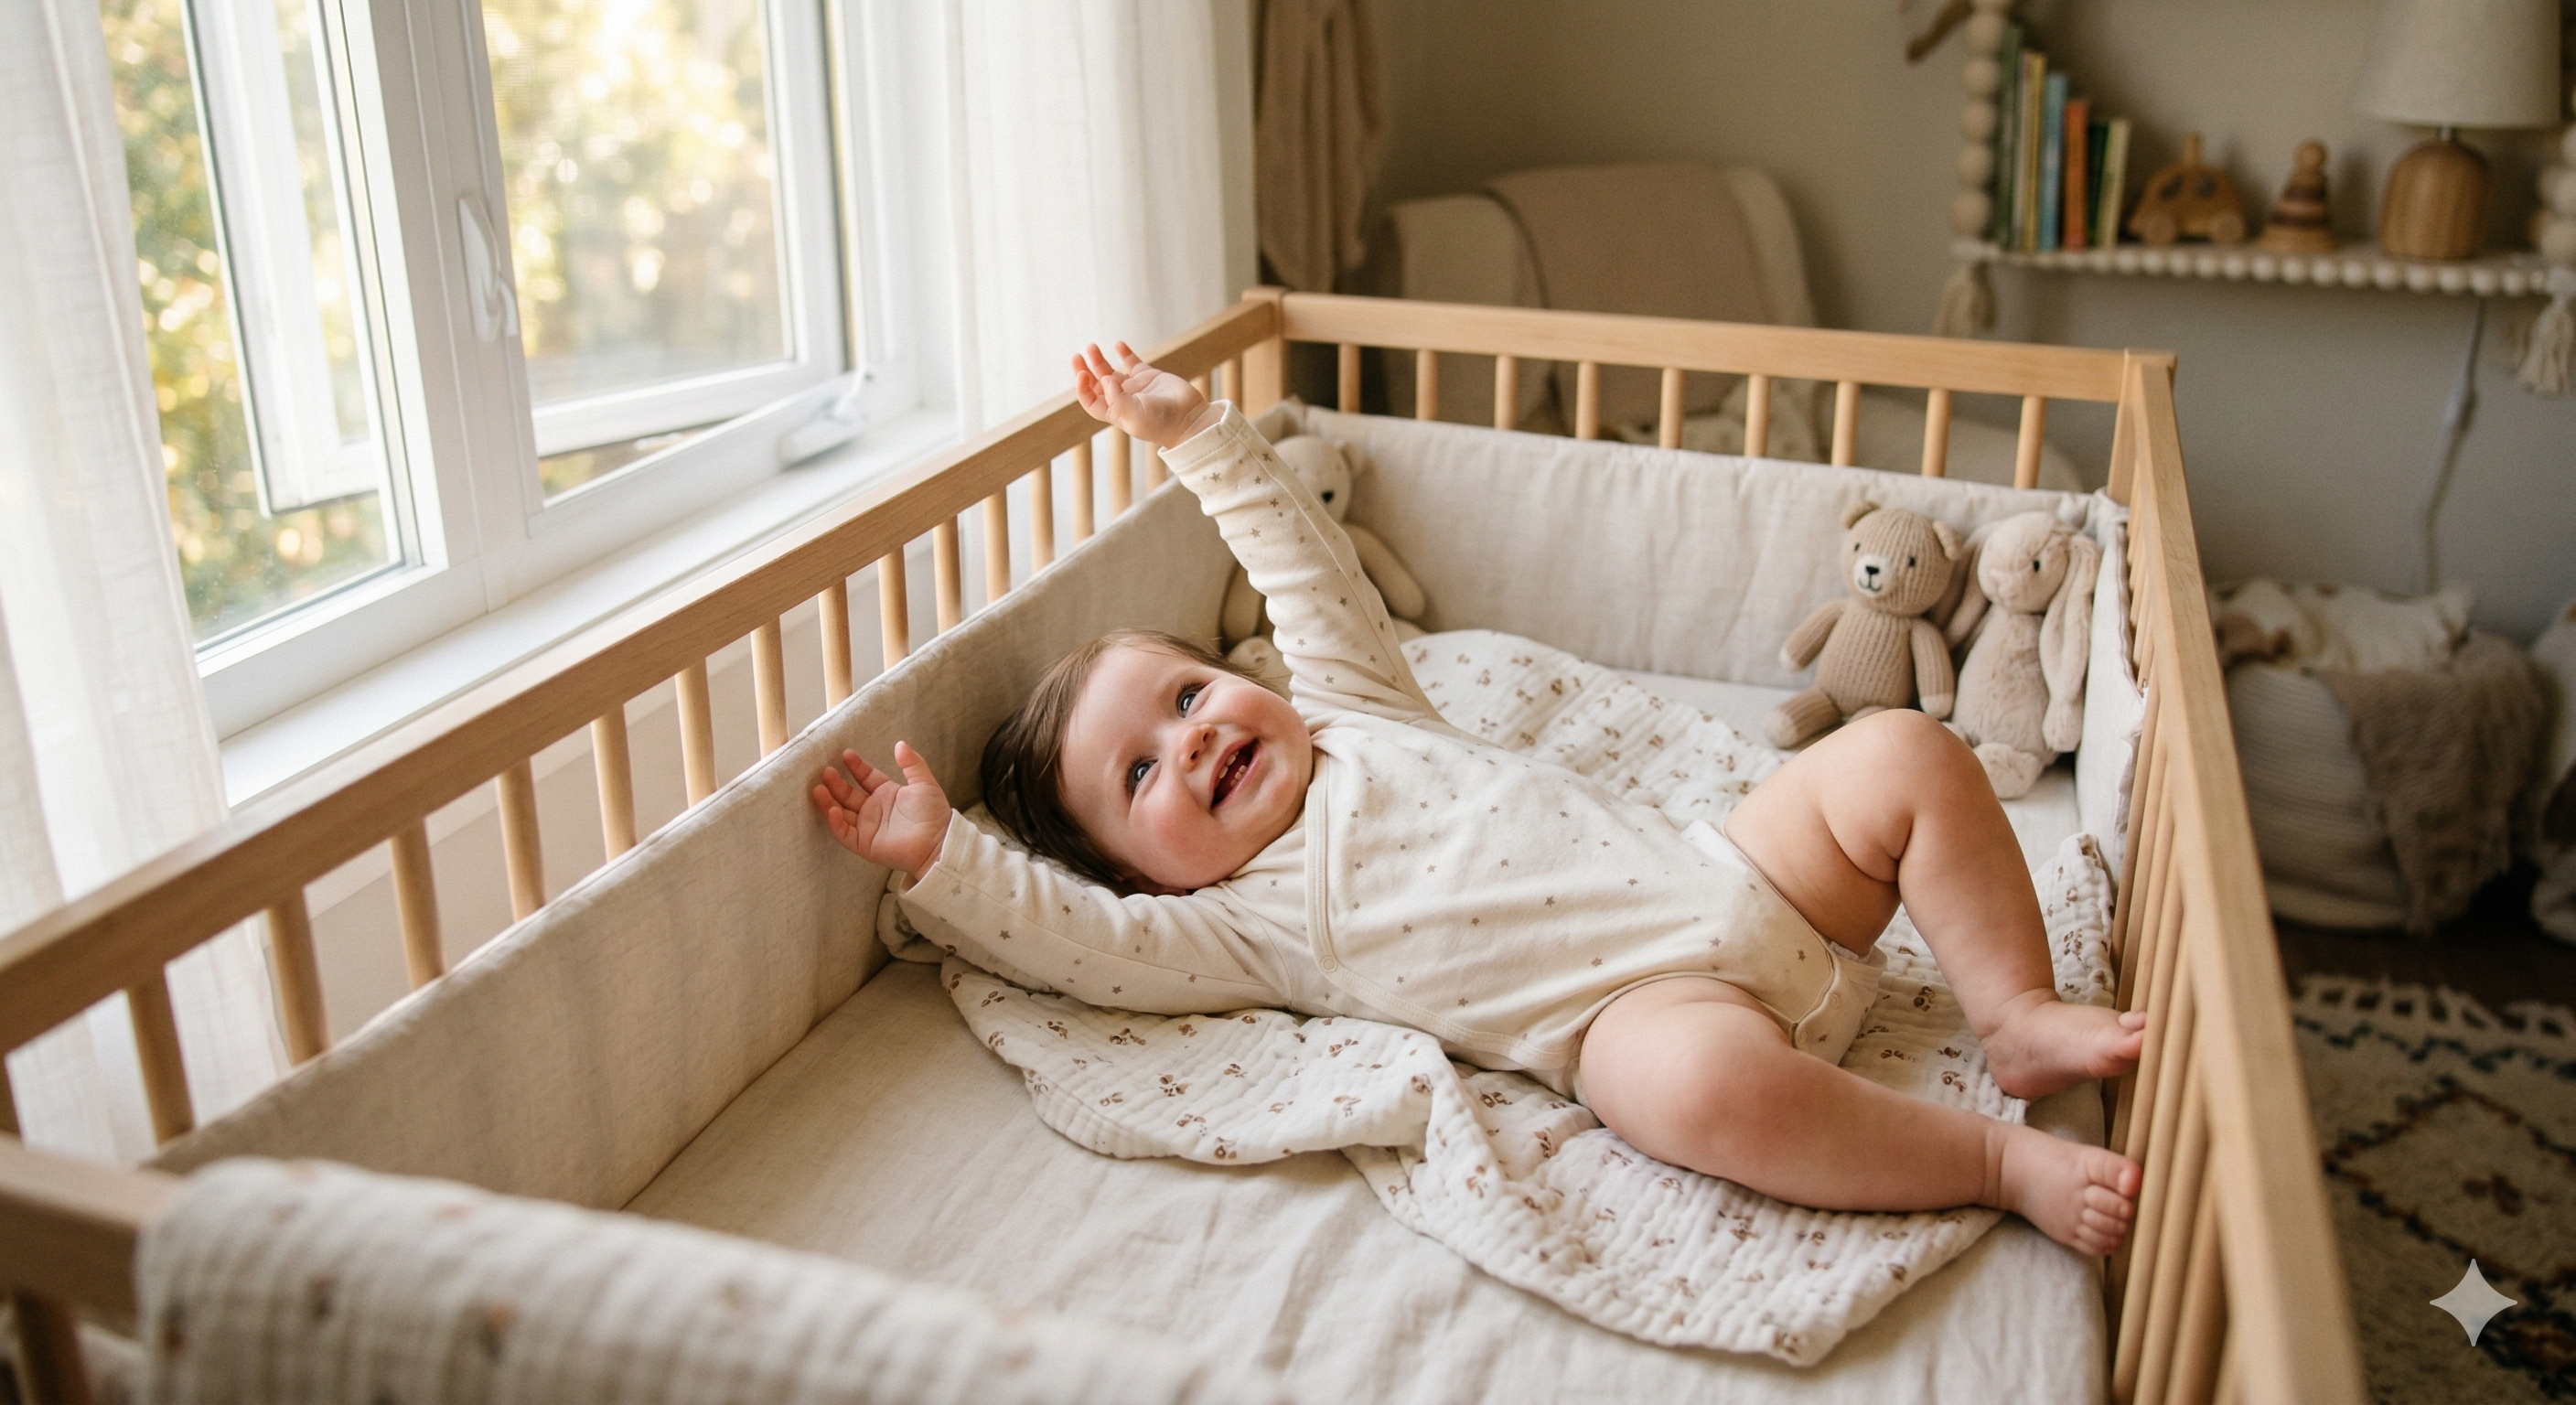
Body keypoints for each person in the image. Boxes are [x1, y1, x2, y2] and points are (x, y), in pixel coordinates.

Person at [812, 342, 2144, 1255]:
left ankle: (2014, 1015)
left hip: (1746, 871)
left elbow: (1308, 572)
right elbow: (1073, 946)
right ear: (1146, 874)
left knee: (1905, 752)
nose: (1193, 739)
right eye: (1140, 776)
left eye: (1184, 697)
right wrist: (942, 861)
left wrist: (1199, 435)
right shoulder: (1237, 930)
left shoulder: (1352, 710)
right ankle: (1987, 1162)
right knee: (1678, 1095)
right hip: (1643, 1015)